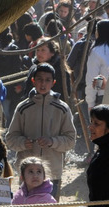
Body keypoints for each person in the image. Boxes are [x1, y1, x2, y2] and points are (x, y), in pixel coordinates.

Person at [6, 64, 77, 199]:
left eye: (47, 80)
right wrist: (23, 143)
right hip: (27, 173)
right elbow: (10, 138)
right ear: (33, 81)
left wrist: (52, 141)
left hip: (52, 173)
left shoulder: (62, 108)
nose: (43, 83)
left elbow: (71, 140)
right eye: (39, 79)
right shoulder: (23, 108)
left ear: (53, 82)